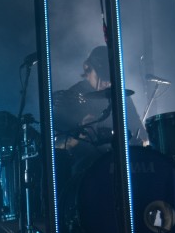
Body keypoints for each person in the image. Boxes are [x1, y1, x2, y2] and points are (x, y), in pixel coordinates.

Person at [53, 45, 148, 175]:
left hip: (122, 163)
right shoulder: (70, 98)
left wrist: (140, 141)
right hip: (86, 168)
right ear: (88, 69)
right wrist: (80, 132)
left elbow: (141, 133)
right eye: (102, 76)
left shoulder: (120, 95)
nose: (107, 82)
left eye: (110, 76)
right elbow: (57, 145)